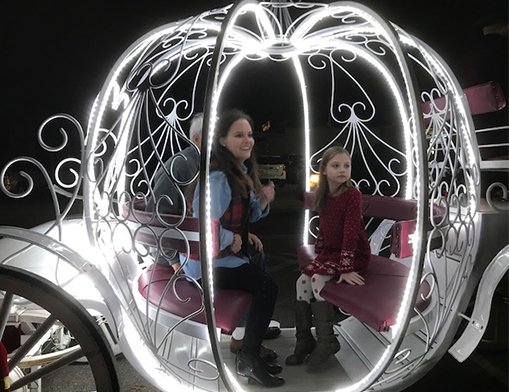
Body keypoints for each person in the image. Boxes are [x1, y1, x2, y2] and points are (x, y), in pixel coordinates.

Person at [182, 109, 284, 387]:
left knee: (260, 272)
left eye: (249, 134)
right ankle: (248, 358)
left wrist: (263, 200)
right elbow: (206, 224)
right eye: (239, 135)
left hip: (222, 259)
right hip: (208, 265)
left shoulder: (237, 171)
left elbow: (250, 213)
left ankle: (249, 349)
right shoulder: (218, 178)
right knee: (267, 287)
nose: (247, 140)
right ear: (223, 141)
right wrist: (231, 239)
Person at [286, 146, 370, 367]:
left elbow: (351, 234)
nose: (342, 170)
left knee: (317, 280)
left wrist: (345, 267)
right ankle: (304, 339)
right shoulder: (322, 195)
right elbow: (323, 229)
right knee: (301, 280)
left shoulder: (352, 195)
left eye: (346, 166)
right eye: (336, 166)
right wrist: (320, 254)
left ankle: (327, 341)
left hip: (353, 255)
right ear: (324, 169)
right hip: (331, 252)